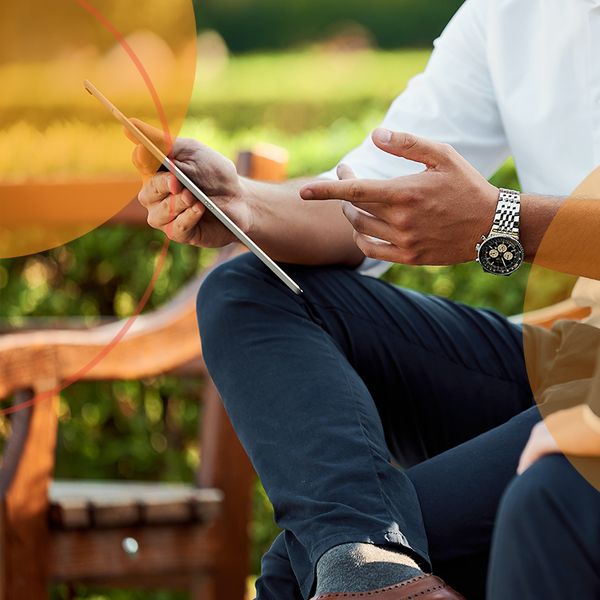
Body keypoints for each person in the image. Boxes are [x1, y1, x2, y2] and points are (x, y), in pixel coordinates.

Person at [127, 0, 600, 597]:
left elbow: (492, 219)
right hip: (565, 352)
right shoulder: (508, 13)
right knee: (245, 287)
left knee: (288, 576)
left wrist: (502, 221)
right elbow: (372, 195)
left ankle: (364, 571)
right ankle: (369, 560)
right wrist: (242, 202)